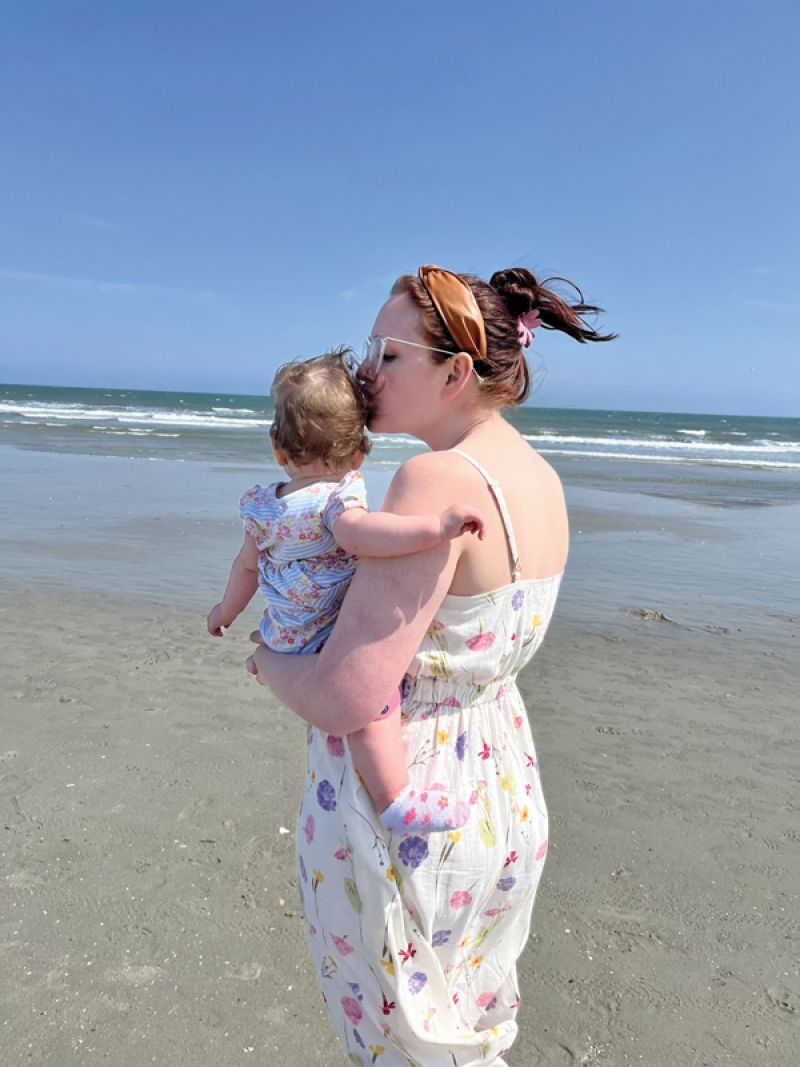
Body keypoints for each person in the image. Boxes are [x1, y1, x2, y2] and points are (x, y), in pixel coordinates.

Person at [246, 265, 614, 1065]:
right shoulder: (538, 476)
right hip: (501, 790)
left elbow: (348, 693)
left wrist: (266, 659)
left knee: (403, 1045)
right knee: (469, 1034)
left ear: (455, 372)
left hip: (412, 803)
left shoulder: (433, 478)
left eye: (387, 352)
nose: (365, 372)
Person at [207, 350, 486, 835]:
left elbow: (245, 568)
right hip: (324, 633)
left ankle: (268, 660)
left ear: (278, 449)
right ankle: (393, 797)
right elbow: (366, 535)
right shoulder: (336, 502)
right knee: (374, 703)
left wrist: (224, 611)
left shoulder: (261, 507)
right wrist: (435, 529)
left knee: (341, 691)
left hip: (285, 631)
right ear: (358, 455)